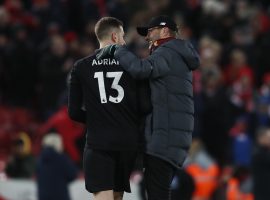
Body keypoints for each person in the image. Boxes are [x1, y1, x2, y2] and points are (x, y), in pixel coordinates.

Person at [97, 15, 200, 200]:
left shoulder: (168, 51)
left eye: (151, 31)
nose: (147, 37)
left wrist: (118, 50)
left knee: (157, 195)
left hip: (164, 138)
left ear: (165, 31)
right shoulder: (177, 53)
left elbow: (141, 69)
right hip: (173, 138)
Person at [68, 17, 150, 200]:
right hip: (127, 142)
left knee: (103, 195)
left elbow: (73, 112)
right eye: (122, 36)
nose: (124, 41)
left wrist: (97, 118)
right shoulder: (135, 65)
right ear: (114, 36)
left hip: (99, 143)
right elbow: (145, 106)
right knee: (117, 196)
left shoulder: (81, 67)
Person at [36, 133, 78, 200]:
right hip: (60, 196)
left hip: (43, 196)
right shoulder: (61, 158)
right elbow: (73, 174)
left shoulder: (40, 159)